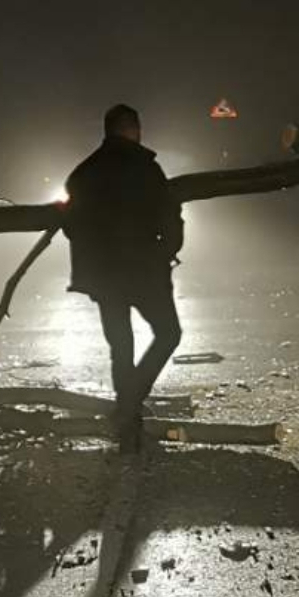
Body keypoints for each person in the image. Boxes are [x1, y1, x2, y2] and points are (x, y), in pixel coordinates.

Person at [63, 103, 185, 452]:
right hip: (144, 269)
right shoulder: (146, 169)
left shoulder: (83, 173)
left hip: (103, 276)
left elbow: (71, 225)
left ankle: (127, 423)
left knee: (121, 345)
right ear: (132, 129)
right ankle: (130, 405)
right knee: (168, 333)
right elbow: (169, 215)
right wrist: (167, 251)